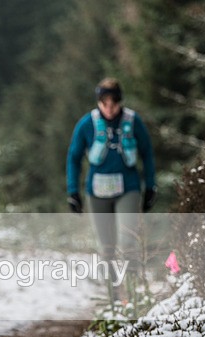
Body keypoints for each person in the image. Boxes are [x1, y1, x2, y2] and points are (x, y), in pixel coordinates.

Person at [66, 77, 156, 295]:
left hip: (129, 188)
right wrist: (73, 192)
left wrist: (151, 186)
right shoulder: (87, 124)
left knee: (127, 241)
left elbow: (147, 153)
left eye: (113, 103)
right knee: (107, 247)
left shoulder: (132, 121)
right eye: (104, 104)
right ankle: (114, 295)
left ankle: (133, 292)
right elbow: (74, 157)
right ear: (99, 102)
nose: (109, 109)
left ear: (120, 101)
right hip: (97, 192)